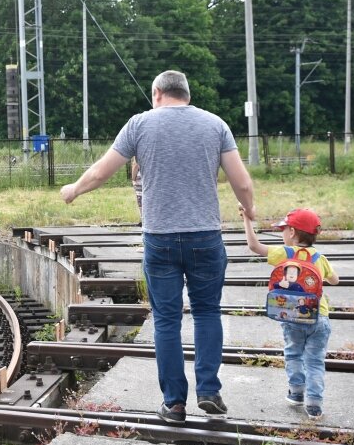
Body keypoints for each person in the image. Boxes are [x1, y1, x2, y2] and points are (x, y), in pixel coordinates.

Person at [60, 70, 255, 424]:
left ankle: (174, 404)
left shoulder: (139, 125)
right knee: (208, 312)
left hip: (160, 239)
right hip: (205, 237)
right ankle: (209, 389)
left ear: (157, 93)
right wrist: (250, 208)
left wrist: (73, 189)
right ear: (187, 95)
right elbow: (241, 181)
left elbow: (102, 172)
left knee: (166, 320)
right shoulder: (215, 124)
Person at [240, 207, 339, 419]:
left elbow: (254, 246)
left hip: (292, 317)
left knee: (293, 353)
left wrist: (247, 220)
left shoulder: (286, 253)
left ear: (292, 232)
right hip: (318, 317)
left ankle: (296, 394)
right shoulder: (320, 258)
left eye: (283, 230)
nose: (282, 234)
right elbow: (335, 280)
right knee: (315, 361)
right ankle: (314, 405)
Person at [131, 157, 142, 225]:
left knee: (140, 200)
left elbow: (135, 166)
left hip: (140, 180)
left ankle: (143, 219)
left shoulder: (138, 155)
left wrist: (133, 178)